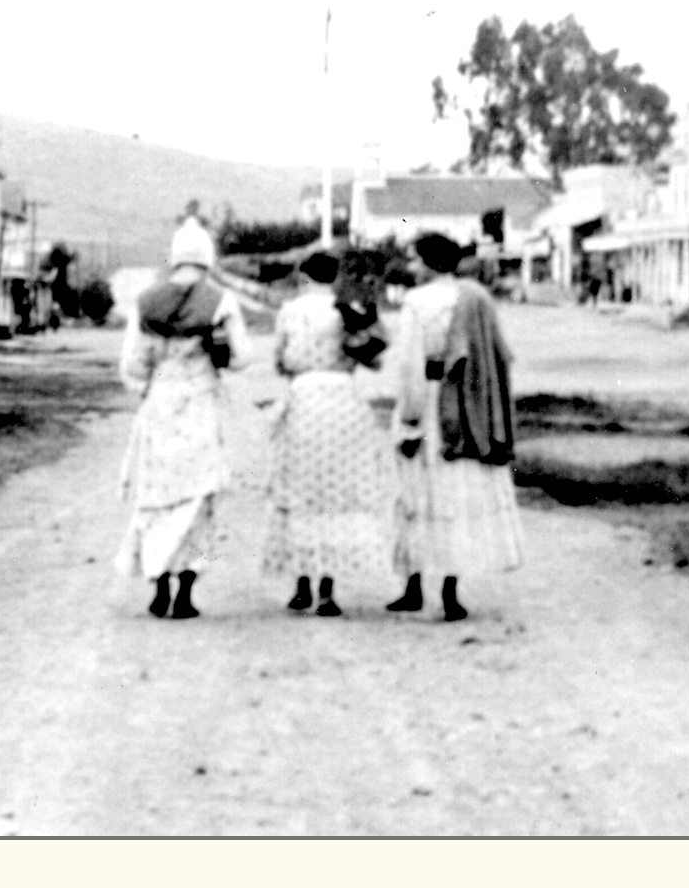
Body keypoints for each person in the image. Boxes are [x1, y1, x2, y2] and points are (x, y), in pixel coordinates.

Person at [114, 217, 251, 619]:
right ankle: (186, 593)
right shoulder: (220, 301)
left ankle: (158, 585)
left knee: (157, 498)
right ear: (207, 257)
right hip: (200, 401)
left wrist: (148, 389)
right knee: (197, 500)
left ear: (174, 257)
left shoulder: (146, 301)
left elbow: (132, 365)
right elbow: (242, 358)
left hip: (161, 400)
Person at [387, 233, 524, 621]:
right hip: (466, 403)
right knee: (454, 494)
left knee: (416, 491)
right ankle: (450, 592)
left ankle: (412, 587)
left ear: (430, 264)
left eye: (416, 261)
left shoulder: (417, 302)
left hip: (431, 399)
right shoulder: (477, 297)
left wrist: (410, 420)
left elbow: (411, 365)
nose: (413, 268)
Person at [261, 251, 397, 617]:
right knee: (335, 494)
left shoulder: (290, 311)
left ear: (304, 275)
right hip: (343, 402)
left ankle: (302, 585)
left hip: (304, 401)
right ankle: (328, 590)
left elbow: (281, 361)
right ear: (335, 277)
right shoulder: (346, 309)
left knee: (302, 492)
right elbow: (374, 359)